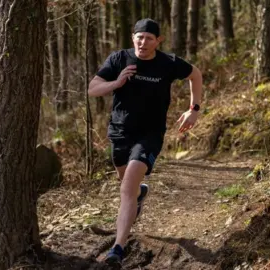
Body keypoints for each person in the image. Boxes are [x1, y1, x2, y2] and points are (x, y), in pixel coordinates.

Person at [88, 18, 203, 267]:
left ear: (158, 41)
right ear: (133, 38)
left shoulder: (168, 63)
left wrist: (194, 109)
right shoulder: (119, 59)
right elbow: (93, 88)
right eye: (140, 37)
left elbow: (195, 75)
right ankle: (140, 194)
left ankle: (118, 248)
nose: (143, 42)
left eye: (149, 38)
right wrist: (116, 83)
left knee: (128, 183)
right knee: (127, 184)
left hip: (150, 134)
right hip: (119, 132)